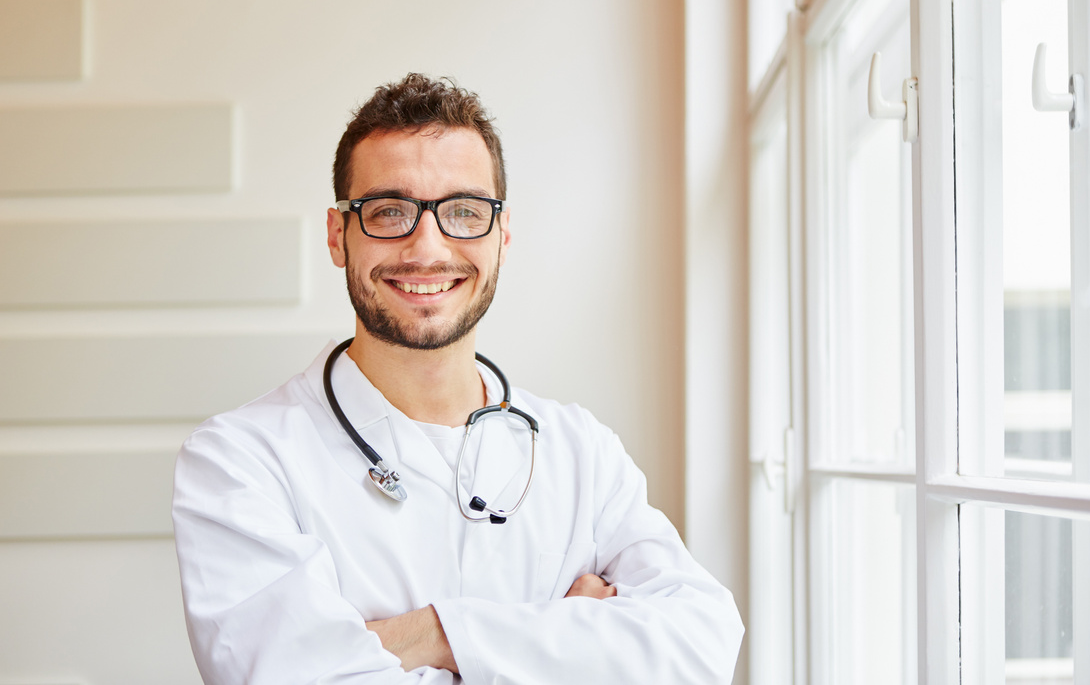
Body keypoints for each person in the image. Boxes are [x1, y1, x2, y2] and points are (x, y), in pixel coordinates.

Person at [172, 73, 744, 684]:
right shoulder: (240, 462)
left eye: (464, 212)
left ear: (502, 236)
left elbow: (700, 644)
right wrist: (565, 636)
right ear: (339, 236)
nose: (427, 249)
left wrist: (432, 635)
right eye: (389, 211)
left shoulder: (582, 452)